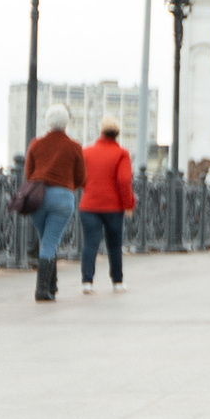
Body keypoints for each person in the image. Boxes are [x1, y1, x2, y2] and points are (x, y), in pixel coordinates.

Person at [24, 104, 85, 302]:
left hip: (37, 197)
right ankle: (42, 290)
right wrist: (66, 186)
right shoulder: (74, 146)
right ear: (66, 123)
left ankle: (52, 284)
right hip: (62, 198)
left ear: (47, 122)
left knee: (47, 240)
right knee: (50, 241)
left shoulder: (35, 144)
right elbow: (81, 178)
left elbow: (28, 174)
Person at [78, 116, 136, 294]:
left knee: (90, 243)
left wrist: (89, 189)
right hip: (113, 207)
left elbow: (80, 177)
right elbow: (124, 180)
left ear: (101, 132)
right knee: (114, 244)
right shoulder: (121, 153)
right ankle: (117, 282)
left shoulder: (86, 152)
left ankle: (87, 282)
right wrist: (128, 204)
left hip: (89, 205)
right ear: (117, 134)